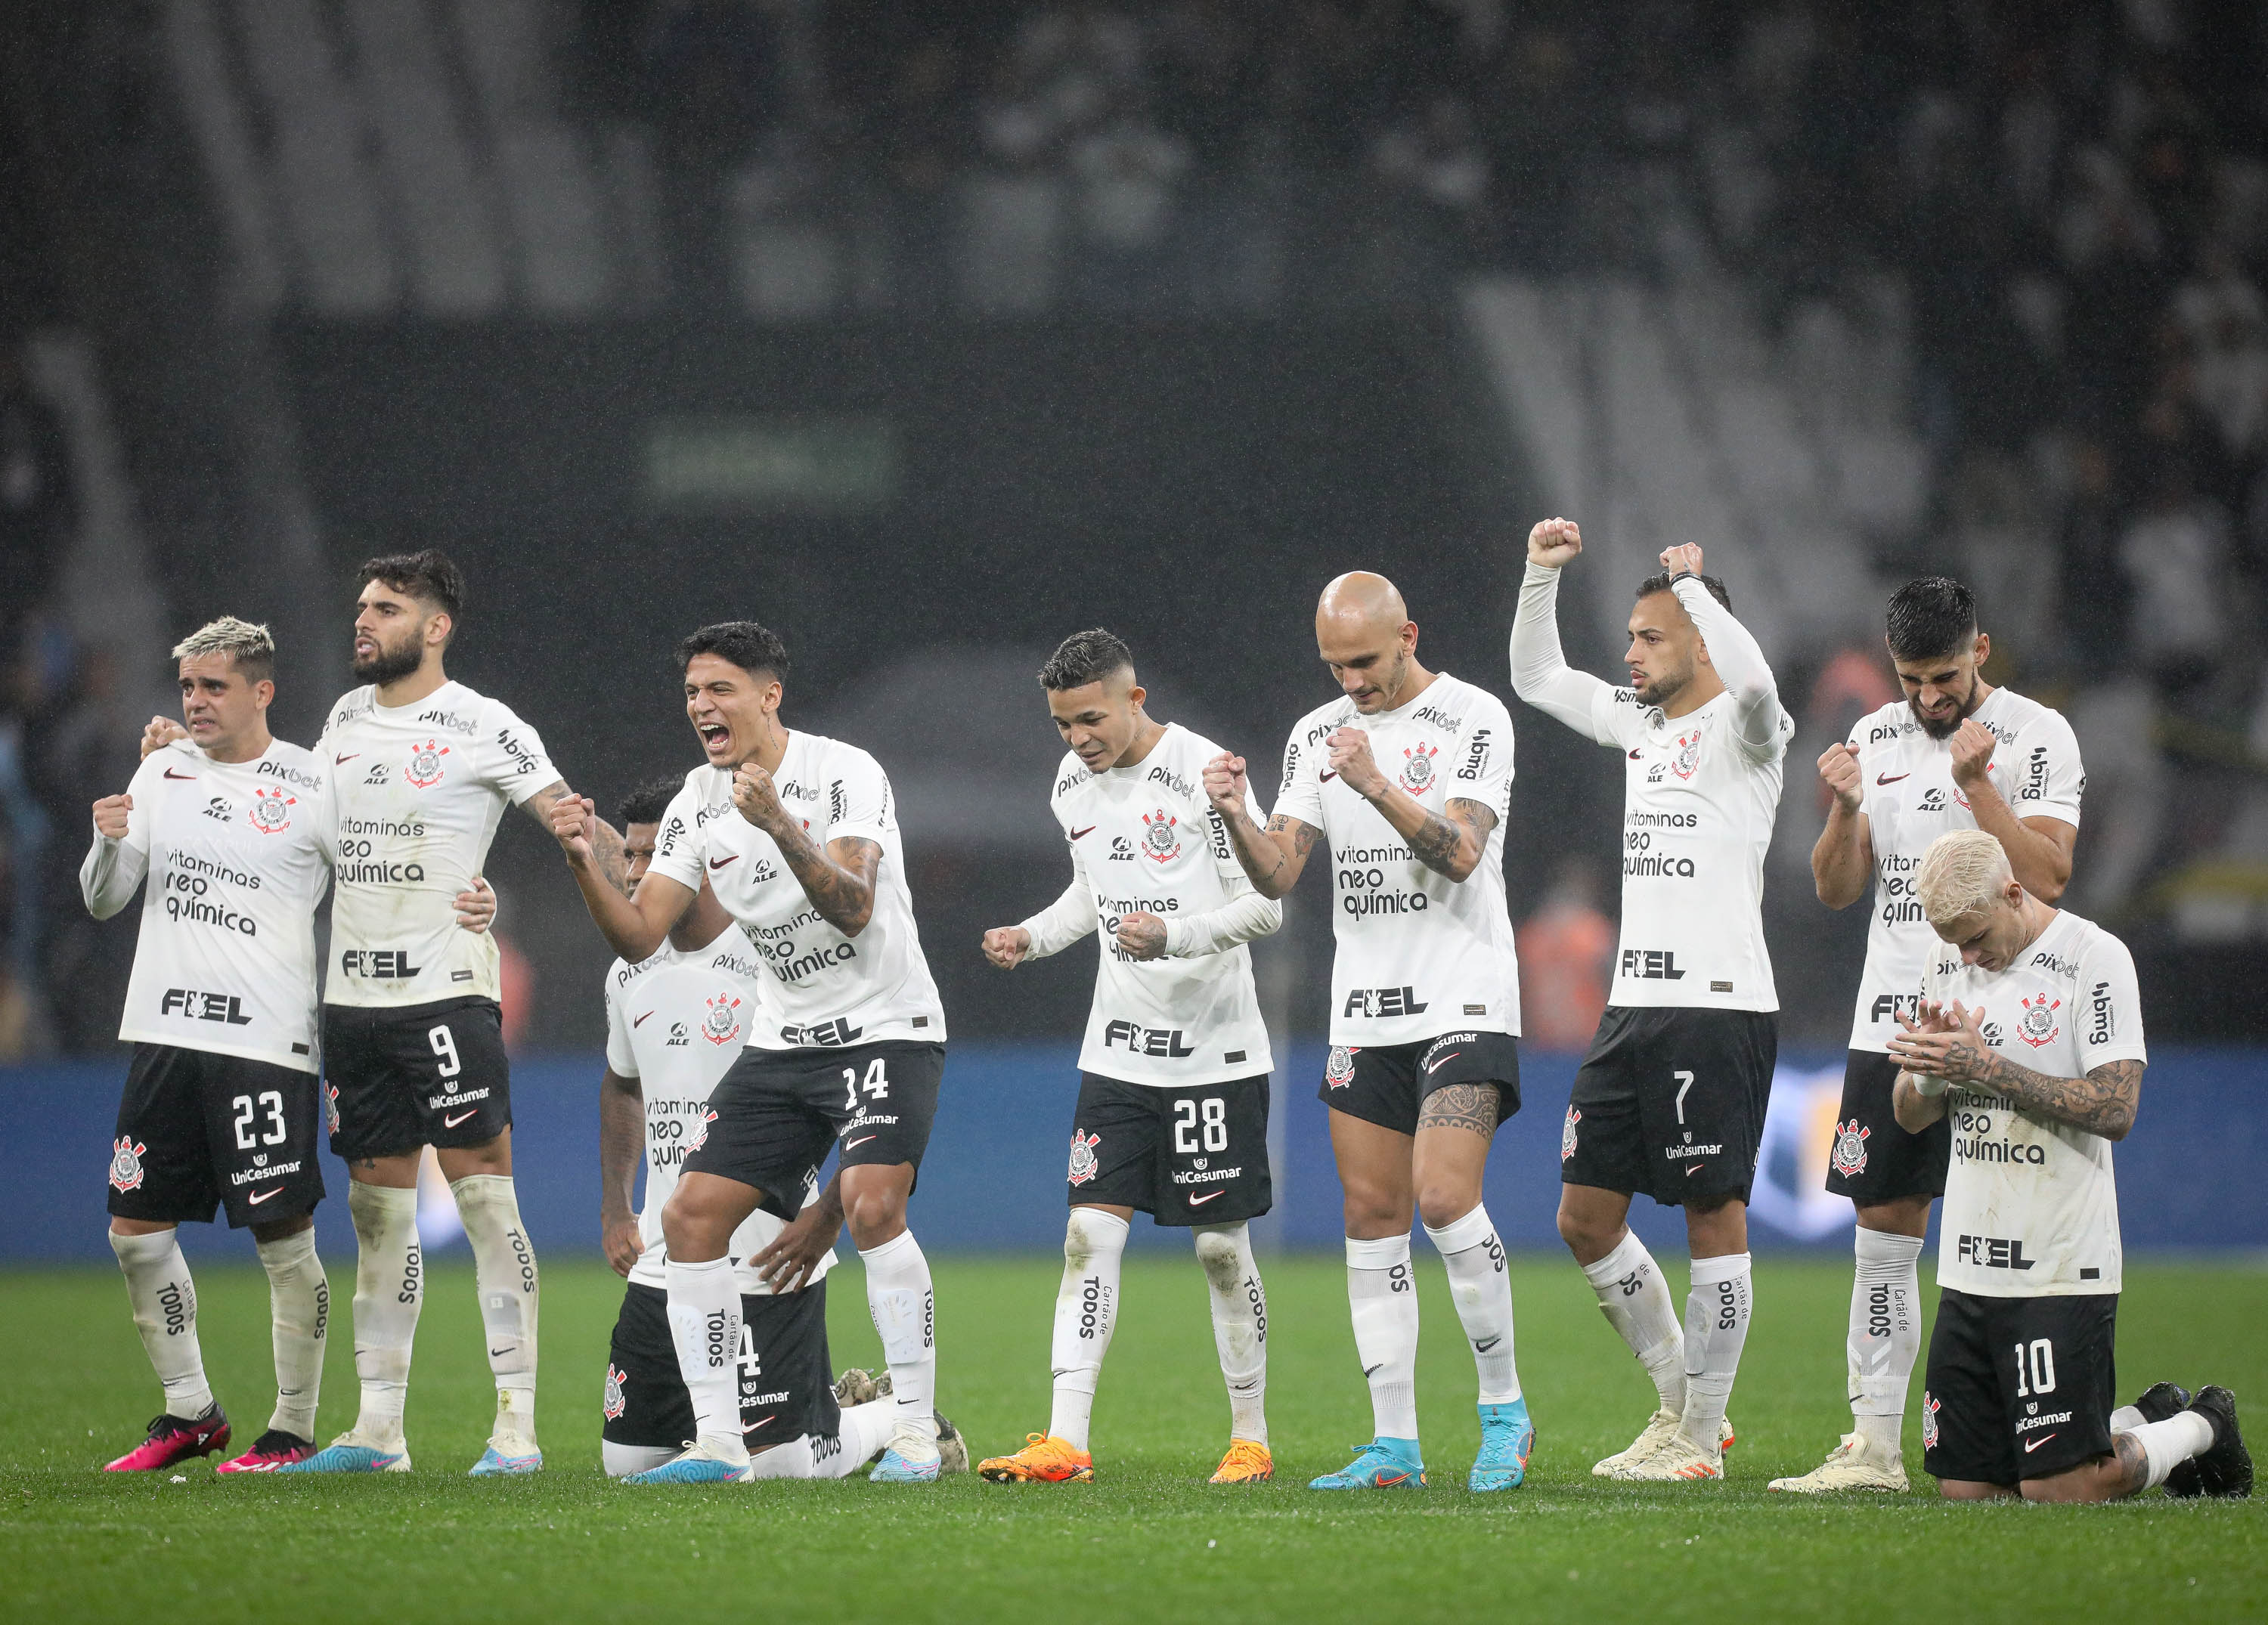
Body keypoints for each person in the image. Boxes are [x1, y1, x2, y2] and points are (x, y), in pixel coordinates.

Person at [82, 618, 492, 1474]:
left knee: (282, 1236)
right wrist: (109, 839)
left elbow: (385, 872)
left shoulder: (312, 780)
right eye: (188, 686)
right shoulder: (159, 771)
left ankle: (292, 1426)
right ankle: (190, 1409)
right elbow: (105, 900)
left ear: (261, 691)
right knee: (133, 1227)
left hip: (266, 1037)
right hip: (163, 1031)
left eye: (214, 686)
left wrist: (465, 906)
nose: (195, 702)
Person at [551, 621, 951, 1484]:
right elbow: (638, 934)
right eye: (693, 691)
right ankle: (719, 1444)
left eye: (720, 688)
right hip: (786, 1037)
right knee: (690, 1216)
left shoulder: (845, 771)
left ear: (769, 696)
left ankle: (918, 1432)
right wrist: (585, 860)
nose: (702, 705)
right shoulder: (697, 799)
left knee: (876, 1204)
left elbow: (851, 905)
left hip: (886, 1021)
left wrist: (776, 822)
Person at [1206, 573, 1532, 1494]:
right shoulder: (1314, 735)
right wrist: (1234, 814)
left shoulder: (1475, 718)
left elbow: (1462, 851)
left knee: (1440, 1196)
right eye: (1334, 664)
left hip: (1463, 996)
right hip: (1367, 1004)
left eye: (1365, 660)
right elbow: (1277, 873)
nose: (1351, 680)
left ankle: (1506, 1412)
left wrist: (1377, 781)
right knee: (1372, 1213)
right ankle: (1395, 1442)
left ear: (1408, 635)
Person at [290, 551, 606, 1476]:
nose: (364, 620)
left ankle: (516, 1427)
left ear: (436, 628)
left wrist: (507, 901)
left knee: (483, 1201)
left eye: (385, 608)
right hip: (353, 999)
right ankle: (378, 1429)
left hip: (445, 997)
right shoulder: (343, 718)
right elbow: (300, 827)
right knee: (378, 1212)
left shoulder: (482, 723)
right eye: (361, 606)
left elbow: (567, 819)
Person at [1773, 577, 2086, 1494]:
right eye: (1911, 678)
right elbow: (1837, 891)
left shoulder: (2038, 736)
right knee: (1882, 1226)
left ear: (1981, 649)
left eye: (1944, 676)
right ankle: (1871, 1447)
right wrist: (1839, 809)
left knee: (2012, 1235)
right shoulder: (1874, 737)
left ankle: (2047, 1436)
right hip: (1895, 1017)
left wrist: (1978, 784)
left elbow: (2051, 876)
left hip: (2013, 1017)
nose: (1928, 698)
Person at [1509, 520, 1789, 1483]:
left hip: (1717, 1005)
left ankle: (1702, 1435)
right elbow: (1539, 678)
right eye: (1629, 635)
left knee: (1713, 1209)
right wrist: (1541, 574)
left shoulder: (1753, 734)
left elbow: (1754, 683)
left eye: (1650, 636)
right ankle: (1682, 1408)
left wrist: (1699, 589)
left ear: (1701, 639)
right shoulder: (1638, 724)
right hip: (1631, 1007)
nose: (1628, 652)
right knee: (1584, 1217)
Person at [974, 631, 1281, 1487]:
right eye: (1064, 723)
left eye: (1091, 717)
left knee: (1221, 1250)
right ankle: (1065, 1438)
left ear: (1135, 697)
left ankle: (1249, 1436)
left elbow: (1267, 909)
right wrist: (1032, 937)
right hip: (1117, 1050)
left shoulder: (1207, 769)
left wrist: (1175, 934)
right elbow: (1092, 893)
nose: (1077, 737)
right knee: (1085, 1236)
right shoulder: (1072, 781)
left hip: (1216, 1053)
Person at [1886, 830, 2249, 1503]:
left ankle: (2202, 1424)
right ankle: (2142, 1415)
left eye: (1975, 937)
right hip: (1969, 1266)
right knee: (1969, 1493)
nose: (1967, 956)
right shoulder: (1947, 962)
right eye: (1953, 943)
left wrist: (1984, 1067)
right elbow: (1909, 1115)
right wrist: (1931, 1075)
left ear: (2014, 893)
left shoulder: (2094, 959)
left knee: (2059, 1490)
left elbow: (2116, 1108)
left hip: (2059, 1266)